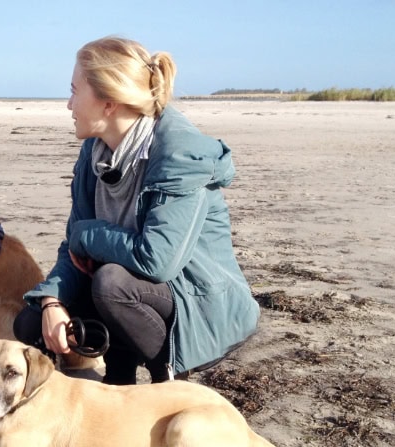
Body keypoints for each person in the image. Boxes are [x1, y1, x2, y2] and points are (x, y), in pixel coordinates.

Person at [13, 36, 260, 385]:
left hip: (197, 300)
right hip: (133, 287)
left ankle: (167, 383)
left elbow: (157, 260)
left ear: (109, 103)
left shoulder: (179, 154)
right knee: (30, 322)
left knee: (111, 282)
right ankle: (118, 383)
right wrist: (52, 301)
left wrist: (87, 235)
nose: (69, 104)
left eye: (74, 91)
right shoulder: (95, 152)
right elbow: (74, 249)